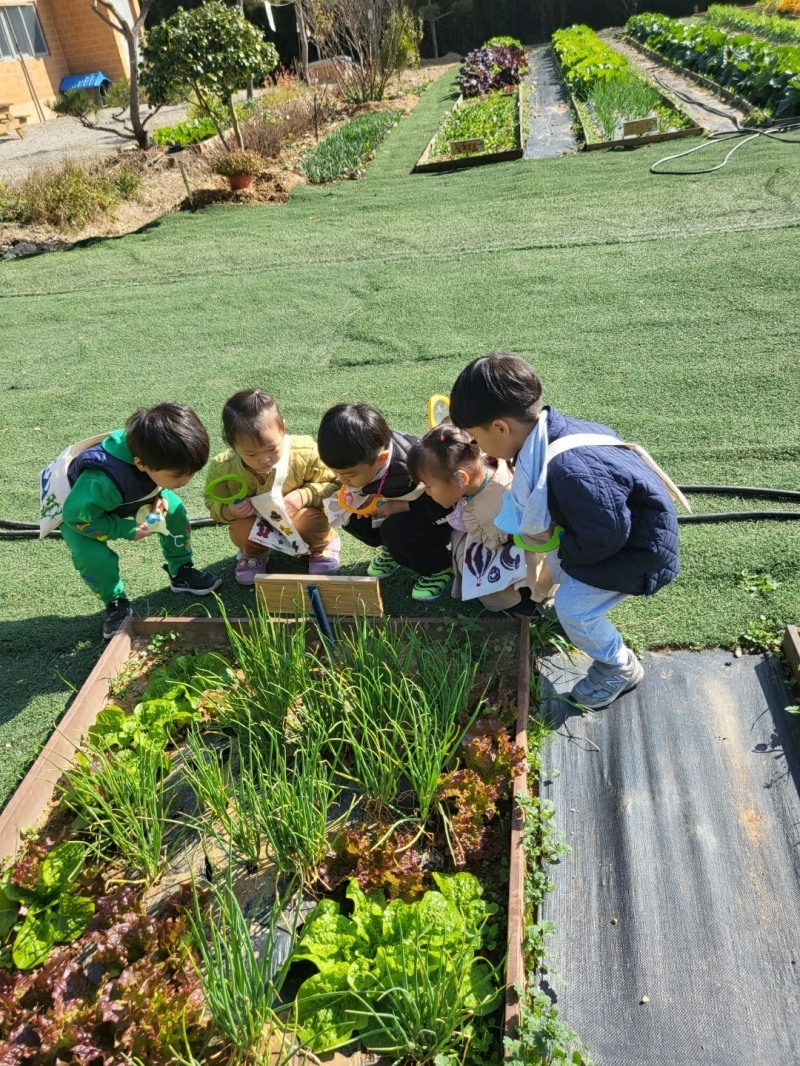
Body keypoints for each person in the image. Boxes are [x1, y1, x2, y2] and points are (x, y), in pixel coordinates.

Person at [449, 352, 680, 710]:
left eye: (476, 439)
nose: (477, 449)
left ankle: (618, 667)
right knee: (557, 560)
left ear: (500, 429)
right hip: (619, 533)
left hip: (639, 552)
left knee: (575, 608)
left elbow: (605, 535)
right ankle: (570, 594)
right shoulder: (552, 433)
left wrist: (568, 550)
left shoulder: (570, 470)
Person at [61, 402, 222, 640]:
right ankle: (115, 602)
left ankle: (181, 571)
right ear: (140, 464)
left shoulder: (152, 453)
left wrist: (159, 496)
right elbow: (75, 517)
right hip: (81, 513)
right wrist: (124, 529)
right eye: (179, 475)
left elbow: (156, 483)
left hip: (126, 495)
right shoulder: (101, 481)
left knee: (175, 511)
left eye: (192, 473)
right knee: (92, 557)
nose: (186, 480)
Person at [407, 425, 555, 616]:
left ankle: (522, 599)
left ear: (461, 478)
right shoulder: (484, 466)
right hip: (519, 540)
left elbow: (493, 542)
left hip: (523, 554)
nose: (427, 493)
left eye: (428, 486)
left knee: (470, 558)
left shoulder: (491, 507)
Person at [317, 403, 454, 602]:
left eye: (349, 475)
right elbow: (367, 485)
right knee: (349, 516)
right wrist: (367, 500)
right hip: (394, 504)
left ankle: (439, 567)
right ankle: (393, 550)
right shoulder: (367, 455)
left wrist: (401, 506)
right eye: (336, 472)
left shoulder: (413, 469)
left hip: (436, 517)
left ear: (382, 458)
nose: (342, 479)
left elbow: (444, 505)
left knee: (395, 530)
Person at [204, 389, 340, 584]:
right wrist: (229, 510)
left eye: (272, 448)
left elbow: (336, 483)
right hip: (256, 523)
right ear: (230, 444)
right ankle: (254, 553)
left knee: (309, 520)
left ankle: (323, 544)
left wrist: (304, 496)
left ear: (282, 428)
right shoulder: (222, 468)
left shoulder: (305, 451)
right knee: (240, 527)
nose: (264, 459)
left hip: (298, 516)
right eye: (251, 454)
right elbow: (212, 501)